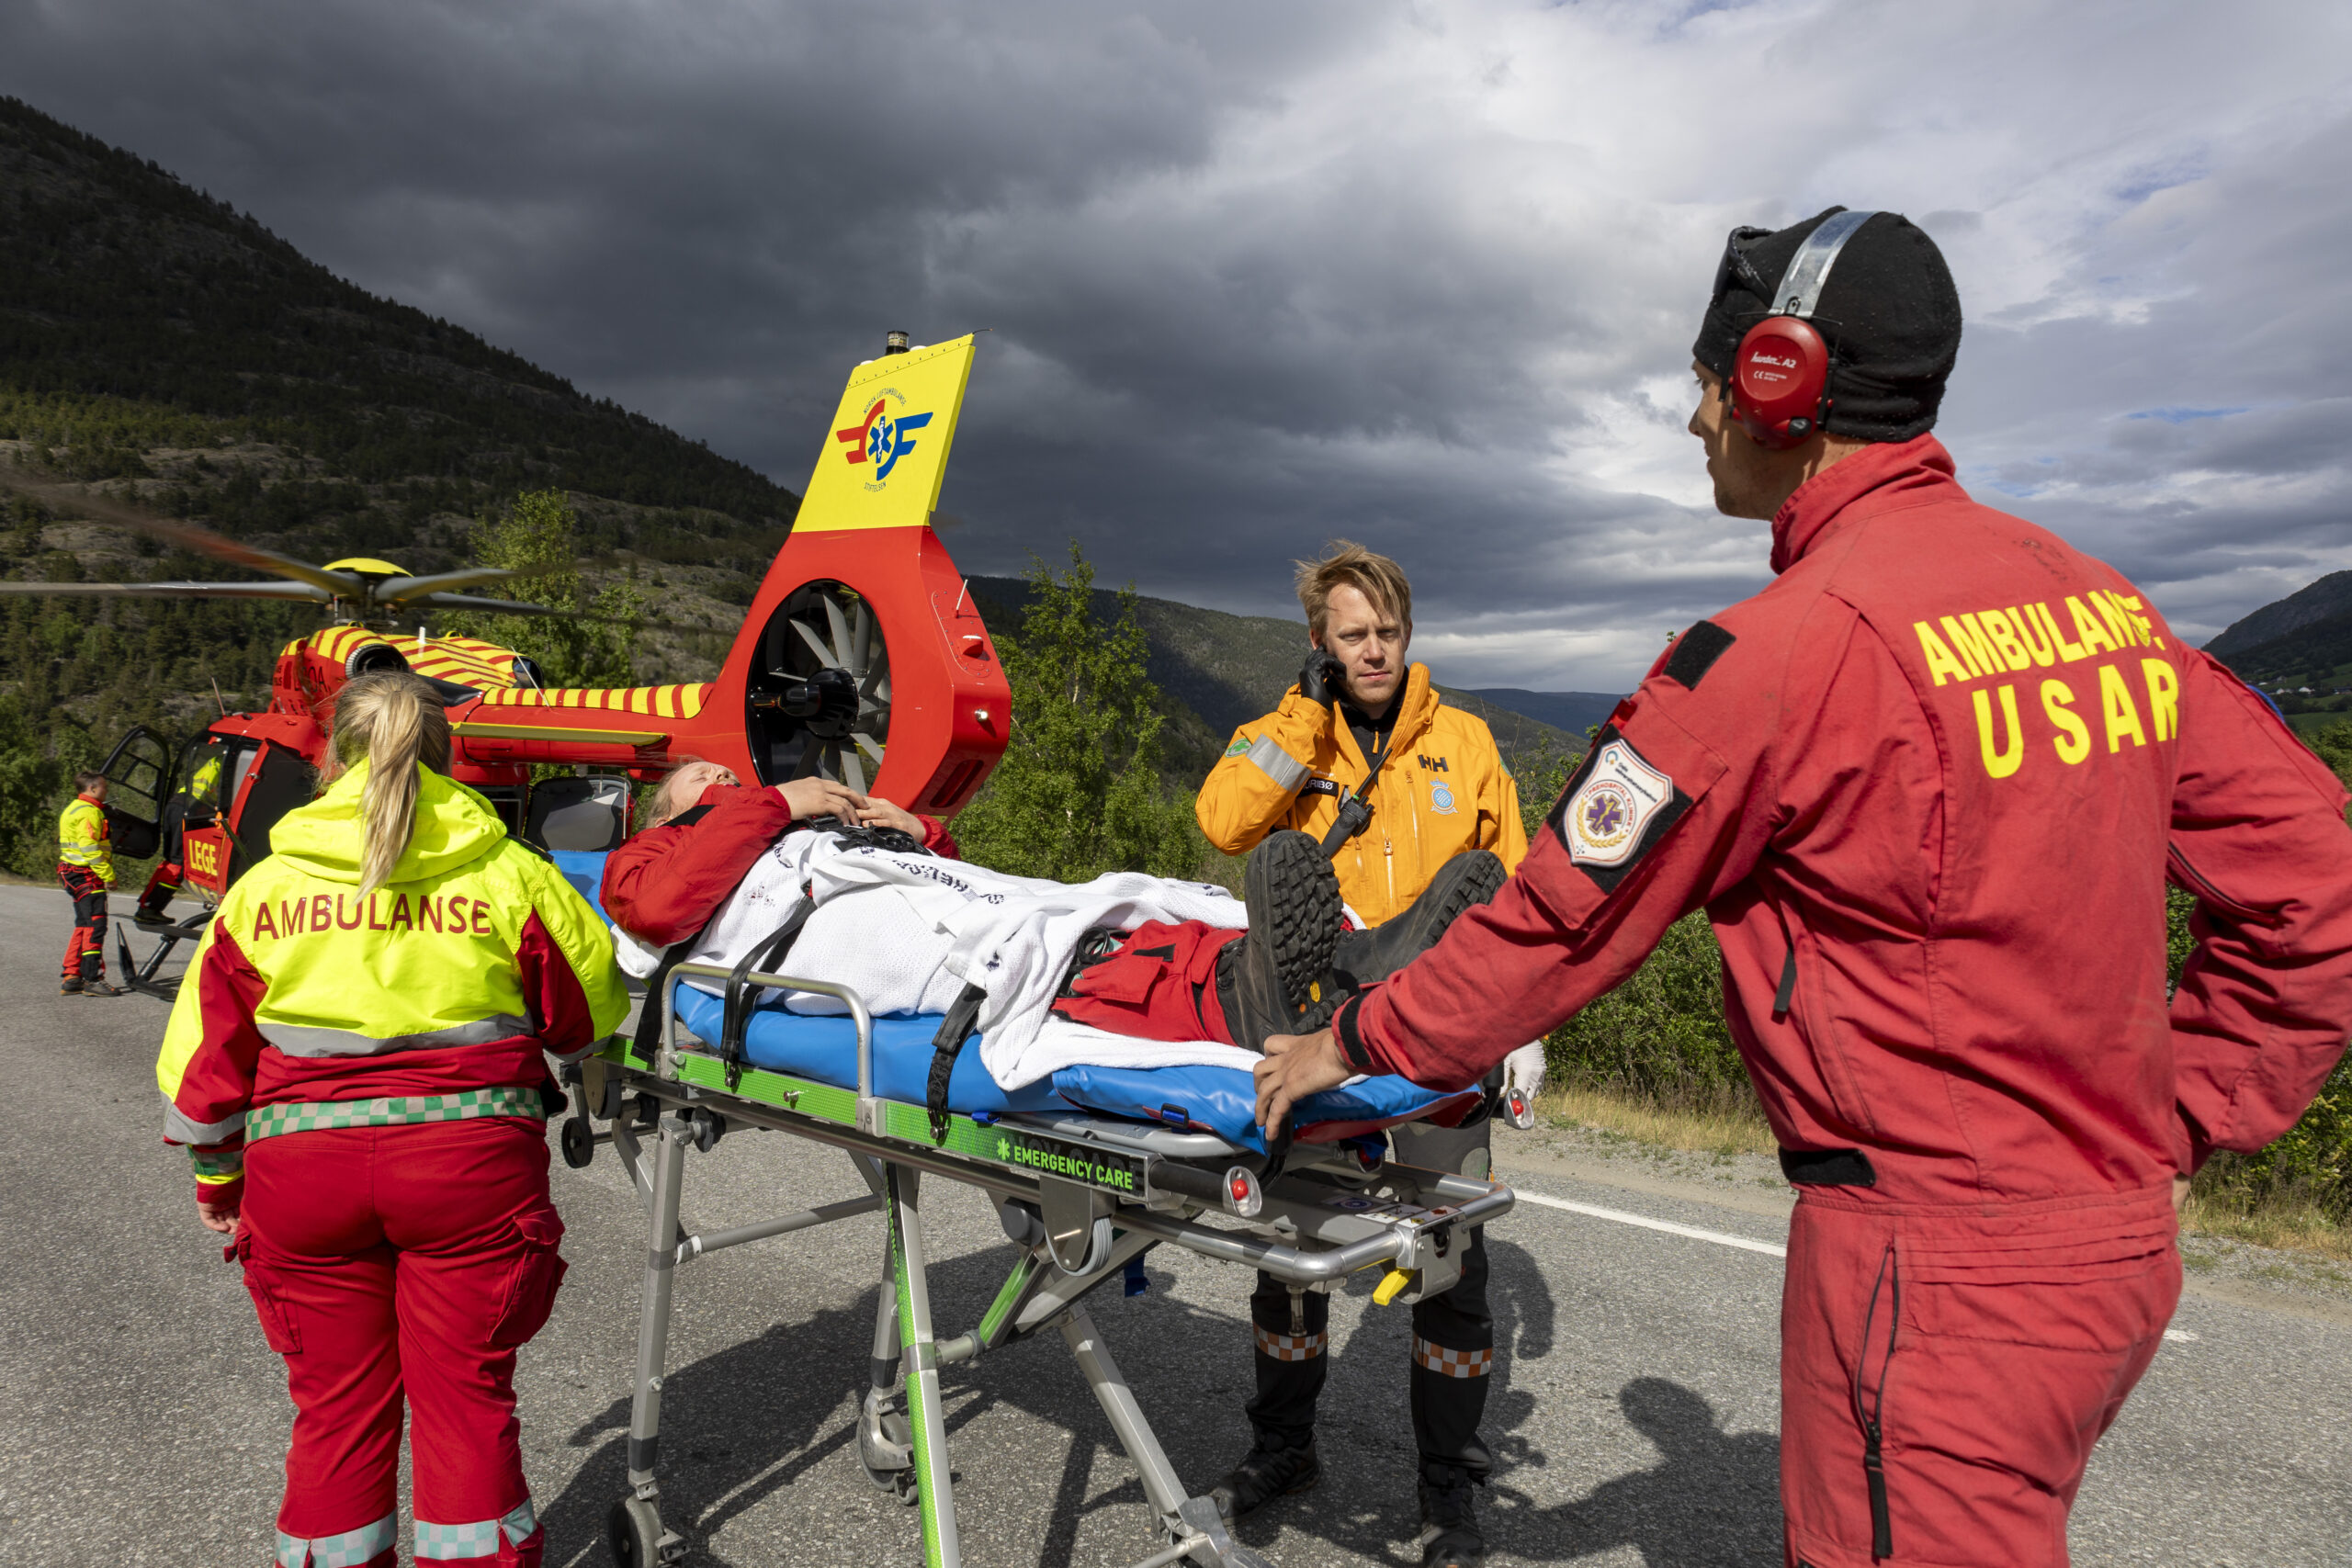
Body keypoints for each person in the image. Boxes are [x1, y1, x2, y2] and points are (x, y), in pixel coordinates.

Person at [1254, 209, 2352, 1568]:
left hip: (1929, 1266)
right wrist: (2185, 1112)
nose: (1696, 415)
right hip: (2110, 1251)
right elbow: (2322, 871)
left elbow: (1559, 921)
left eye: (1712, 377)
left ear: (1780, 380)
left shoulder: (1775, 659)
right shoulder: (2100, 605)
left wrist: (1353, 1039)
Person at [155, 672, 629, 1568]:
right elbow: (591, 1009)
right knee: (468, 1407)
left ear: (329, 761)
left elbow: (203, 1065)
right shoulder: (510, 872)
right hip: (471, 1177)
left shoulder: (265, 890)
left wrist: (218, 1177)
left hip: (304, 1184)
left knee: (334, 1414)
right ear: (446, 761)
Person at [1195, 541, 1538, 1568]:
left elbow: (1520, 894)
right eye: (1354, 635)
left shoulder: (1467, 742)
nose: (1376, 650)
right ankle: (1284, 1449)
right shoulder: (1282, 737)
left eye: (1388, 631)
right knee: (1289, 1268)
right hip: (1313, 1037)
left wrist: (1526, 1023)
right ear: (1321, 644)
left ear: (1407, 632)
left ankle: (1448, 1497)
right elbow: (1221, 821)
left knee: (1451, 1274)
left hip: (1438, 1042)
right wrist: (1304, 722)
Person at [600, 760, 1500, 1066]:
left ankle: (1365, 958)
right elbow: (660, 909)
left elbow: (950, 883)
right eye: (702, 785)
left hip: (931, 902)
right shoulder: (653, 856)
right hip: (862, 943)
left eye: (732, 778)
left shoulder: (785, 824)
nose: (726, 784)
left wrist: (919, 832)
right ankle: (1257, 1004)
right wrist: (771, 803)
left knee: (1094, 911)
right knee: (1060, 957)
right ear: (669, 813)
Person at [133, 741, 226, 926]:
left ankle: (148, 905)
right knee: (178, 864)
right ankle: (150, 908)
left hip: (178, 805)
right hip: (189, 808)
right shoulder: (227, 763)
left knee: (171, 861)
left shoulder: (218, 760)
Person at [57, 769, 119, 995]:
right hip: (85, 874)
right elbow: (90, 849)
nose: (106, 790)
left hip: (70, 873)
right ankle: (93, 979)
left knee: (84, 924)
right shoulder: (89, 812)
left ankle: (72, 976)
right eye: (104, 786)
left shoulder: (73, 808)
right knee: (96, 926)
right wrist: (108, 876)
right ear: (92, 788)